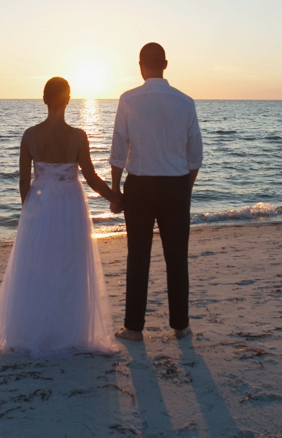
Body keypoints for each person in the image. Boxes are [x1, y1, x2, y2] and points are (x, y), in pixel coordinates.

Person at [0, 77, 120, 356]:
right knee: (70, 264)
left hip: (40, 204)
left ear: (44, 99)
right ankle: (68, 329)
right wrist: (115, 197)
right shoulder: (78, 136)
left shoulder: (30, 136)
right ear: (67, 100)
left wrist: (28, 211)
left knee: (37, 266)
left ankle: (35, 328)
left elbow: (23, 180)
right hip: (70, 203)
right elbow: (91, 177)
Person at [109, 43, 203, 342]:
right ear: (165, 63)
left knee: (138, 257)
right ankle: (181, 325)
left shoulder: (128, 99)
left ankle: (134, 327)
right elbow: (195, 155)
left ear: (141, 65)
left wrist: (115, 190)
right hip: (175, 185)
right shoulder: (185, 102)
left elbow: (118, 149)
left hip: (140, 185)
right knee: (177, 257)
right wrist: (183, 189)